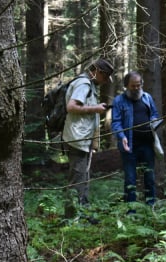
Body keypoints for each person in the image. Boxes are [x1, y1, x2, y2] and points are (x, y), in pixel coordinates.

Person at [62, 58, 114, 220]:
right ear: (97, 72)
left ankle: (83, 212)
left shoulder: (89, 85)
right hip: (77, 138)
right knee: (77, 179)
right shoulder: (83, 84)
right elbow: (71, 107)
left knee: (83, 178)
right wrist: (96, 109)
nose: (105, 82)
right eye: (104, 77)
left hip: (83, 138)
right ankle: (71, 217)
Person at [111, 71, 160, 214]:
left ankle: (151, 208)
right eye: (133, 86)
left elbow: (154, 114)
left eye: (139, 85)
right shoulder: (119, 101)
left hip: (147, 145)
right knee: (130, 179)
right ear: (126, 86)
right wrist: (122, 136)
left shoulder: (147, 97)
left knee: (149, 177)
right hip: (129, 146)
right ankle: (131, 211)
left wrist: (154, 122)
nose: (137, 88)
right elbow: (115, 122)